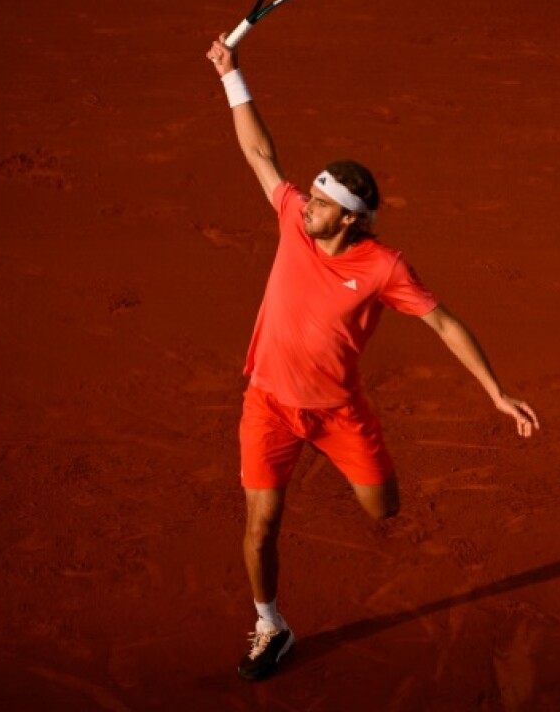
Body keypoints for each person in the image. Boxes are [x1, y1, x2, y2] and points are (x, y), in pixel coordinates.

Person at [205, 34, 540, 682]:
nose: (311, 207)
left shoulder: (383, 268)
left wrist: (494, 391)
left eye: (325, 205)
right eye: (315, 197)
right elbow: (259, 152)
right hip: (269, 402)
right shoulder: (294, 217)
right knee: (260, 526)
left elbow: (443, 323)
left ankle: (349, 463)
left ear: (352, 219)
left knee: (382, 509)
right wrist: (232, 75)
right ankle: (269, 621)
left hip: (337, 411)